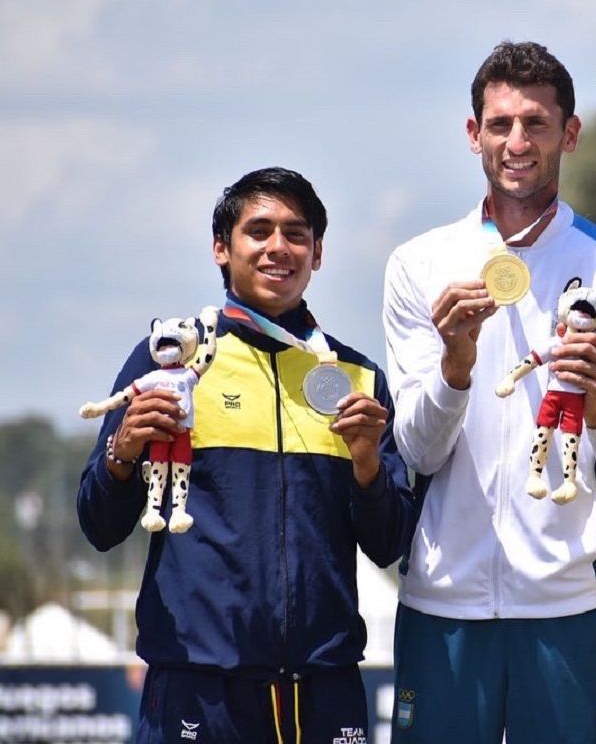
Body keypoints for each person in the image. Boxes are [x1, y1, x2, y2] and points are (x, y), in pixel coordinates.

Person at [382, 40, 596, 742]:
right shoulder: (418, 264)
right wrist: (456, 365)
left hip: (573, 607)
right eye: (501, 123)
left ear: (568, 134)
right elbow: (416, 452)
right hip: (442, 603)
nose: (518, 142)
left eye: (537, 124)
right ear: (473, 133)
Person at [78, 166, 417, 743]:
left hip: (323, 683)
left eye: (296, 233)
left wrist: (366, 468)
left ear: (317, 254)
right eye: (258, 230)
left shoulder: (355, 376)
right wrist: (124, 450)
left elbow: (390, 544)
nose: (278, 247)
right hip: (197, 680)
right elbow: (98, 523)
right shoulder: (169, 363)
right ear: (220, 248)